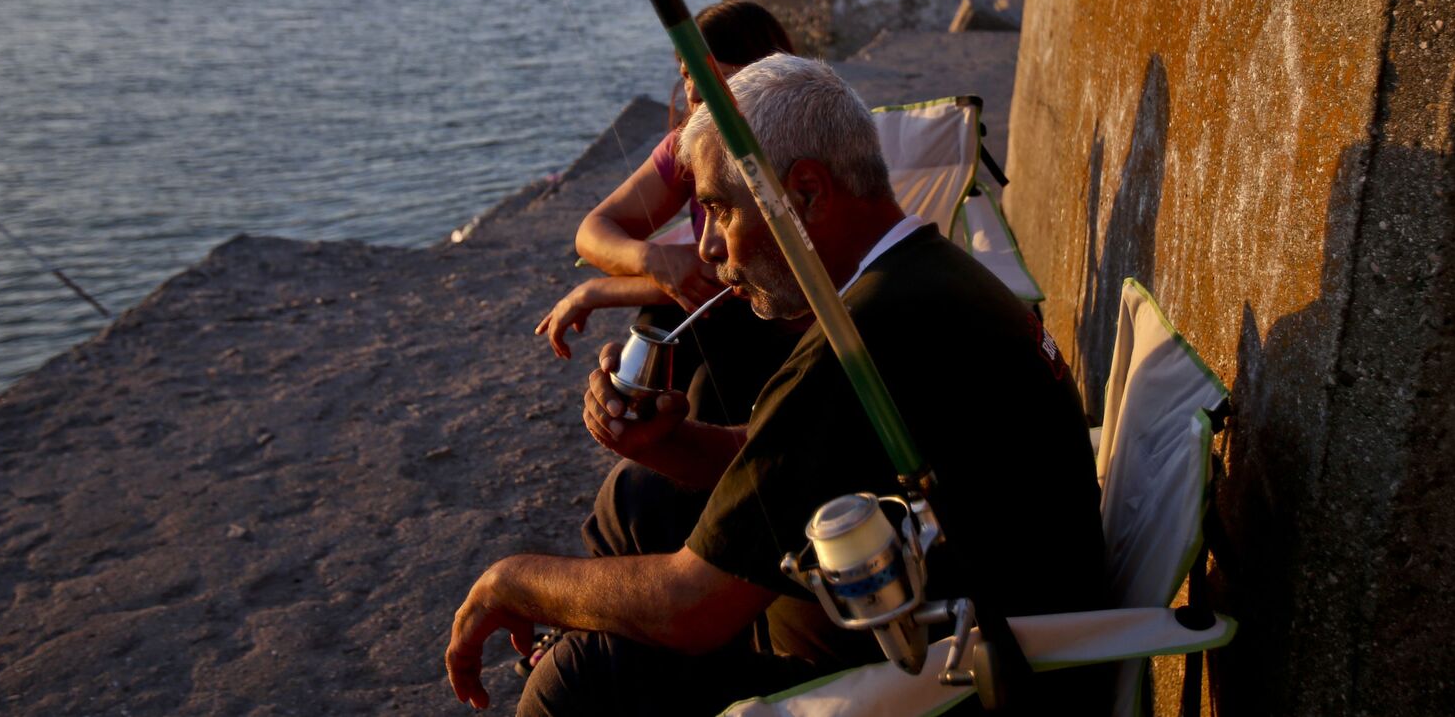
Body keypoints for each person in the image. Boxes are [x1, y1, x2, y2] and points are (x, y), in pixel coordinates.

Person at [447, 55, 1110, 715]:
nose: (707, 246)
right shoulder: (922, 277)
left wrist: (511, 582)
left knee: (585, 676)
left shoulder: (867, 338)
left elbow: (692, 608)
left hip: (940, 679)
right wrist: (669, 442)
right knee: (644, 495)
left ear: (809, 194)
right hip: (889, 616)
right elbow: (791, 457)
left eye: (717, 209)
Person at [535, 0, 801, 427]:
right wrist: (654, 260)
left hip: (782, 322)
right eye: (687, 75)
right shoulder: (688, 147)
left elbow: (744, 277)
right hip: (723, 314)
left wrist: (594, 292)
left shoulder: (783, 152)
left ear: (765, 81)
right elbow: (593, 231)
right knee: (656, 333)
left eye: (717, 77)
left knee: (704, 381)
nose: (695, 92)